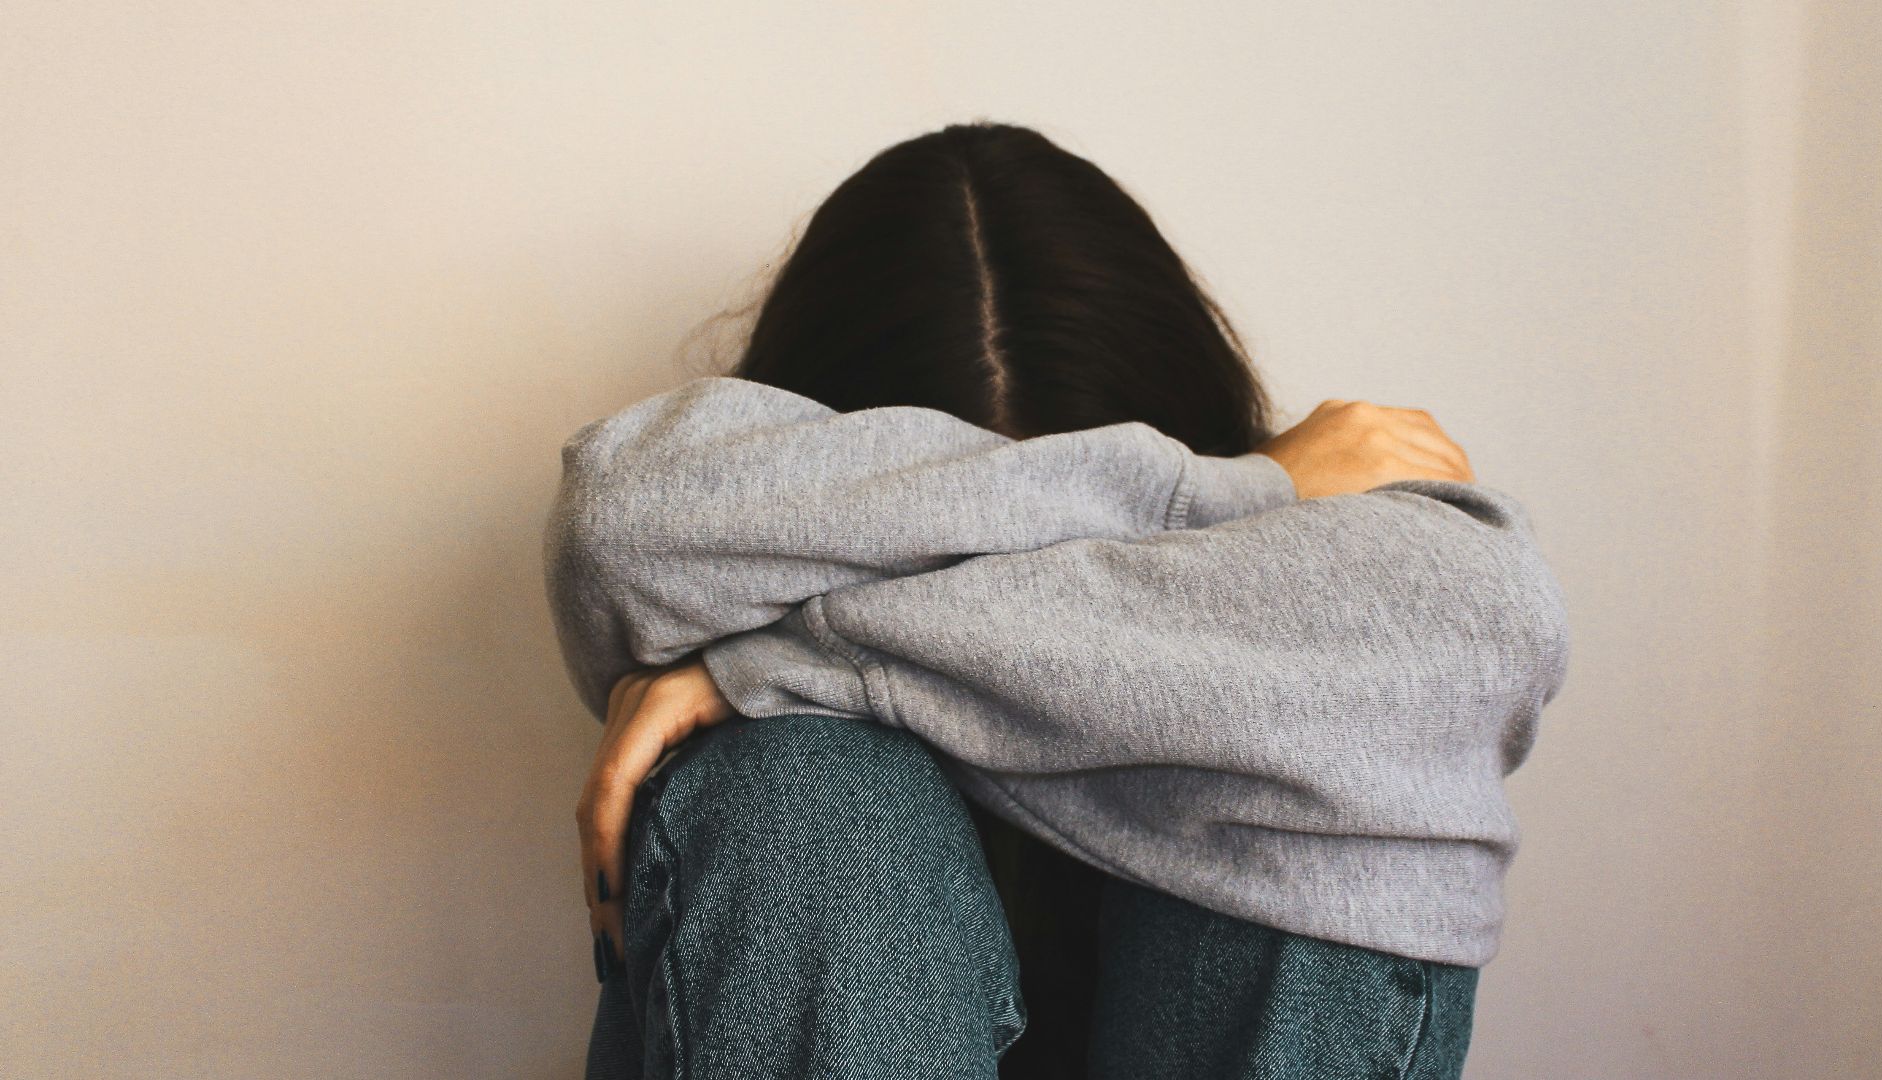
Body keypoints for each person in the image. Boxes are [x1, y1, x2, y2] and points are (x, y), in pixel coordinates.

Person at [542, 122, 1571, 1079]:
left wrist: (773, 657)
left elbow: (1489, 619)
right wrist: (1225, 497)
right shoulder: (1246, 502)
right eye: (939, 538)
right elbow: (617, 527)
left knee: (1322, 764)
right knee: (797, 780)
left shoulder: (1316, 567)